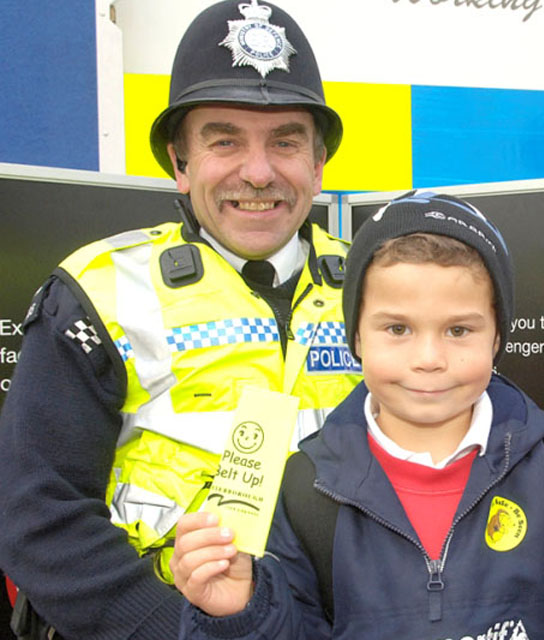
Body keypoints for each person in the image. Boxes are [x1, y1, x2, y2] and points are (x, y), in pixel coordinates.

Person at [170, 191, 544, 639]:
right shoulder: (298, 493)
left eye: (459, 330)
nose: (428, 359)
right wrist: (237, 615)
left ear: (498, 336)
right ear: (355, 339)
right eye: (397, 329)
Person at [0, 2, 361, 638]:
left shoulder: (379, 285)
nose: (258, 171)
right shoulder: (97, 290)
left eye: (286, 141)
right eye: (225, 141)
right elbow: (40, 519)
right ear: (179, 161)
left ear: (318, 163)